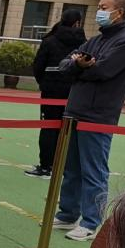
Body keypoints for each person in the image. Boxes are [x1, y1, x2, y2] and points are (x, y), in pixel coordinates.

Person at [52, 0, 125, 241]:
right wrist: (79, 65)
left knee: (93, 170)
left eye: (104, 7)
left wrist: (81, 67)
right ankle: (68, 213)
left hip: (98, 115)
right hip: (74, 111)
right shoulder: (95, 40)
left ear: (118, 12)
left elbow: (102, 71)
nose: (99, 11)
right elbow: (64, 66)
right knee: (71, 168)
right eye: (99, 6)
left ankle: (91, 221)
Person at [26, 10, 86, 178]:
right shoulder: (84, 43)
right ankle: (63, 166)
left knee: (49, 128)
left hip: (52, 91)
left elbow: (38, 66)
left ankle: (46, 166)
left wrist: (44, 83)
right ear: (77, 23)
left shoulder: (50, 40)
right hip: (74, 91)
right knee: (68, 129)